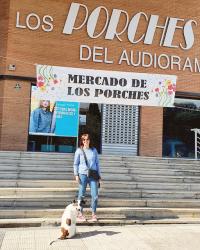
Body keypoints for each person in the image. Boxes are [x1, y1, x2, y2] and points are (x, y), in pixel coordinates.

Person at [73, 133, 101, 222]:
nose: (86, 141)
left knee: (95, 195)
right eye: (84, 140)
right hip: (82, 174)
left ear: (89, 140)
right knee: (81, 194)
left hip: (93, 175)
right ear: (82, 141)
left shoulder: (94, 150)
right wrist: (76, 175)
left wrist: (99, 175)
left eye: (87, 139)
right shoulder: (79, 151)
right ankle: (80, 213)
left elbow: (97, 163)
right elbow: (75, 164)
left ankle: (93, 213)